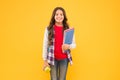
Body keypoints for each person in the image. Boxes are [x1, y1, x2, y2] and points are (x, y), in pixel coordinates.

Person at [42, 7, 76, 80]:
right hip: (52, 59)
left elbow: (74, 44)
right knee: (53, 79)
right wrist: (45, 60)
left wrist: (68, 46)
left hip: (64, 59)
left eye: (61, 14)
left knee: (62, 79)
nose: (59, 16)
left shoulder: (68, 29)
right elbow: (45, 45)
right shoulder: (48, 29)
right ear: (54, 16)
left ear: (64, 16)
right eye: (57, 14)